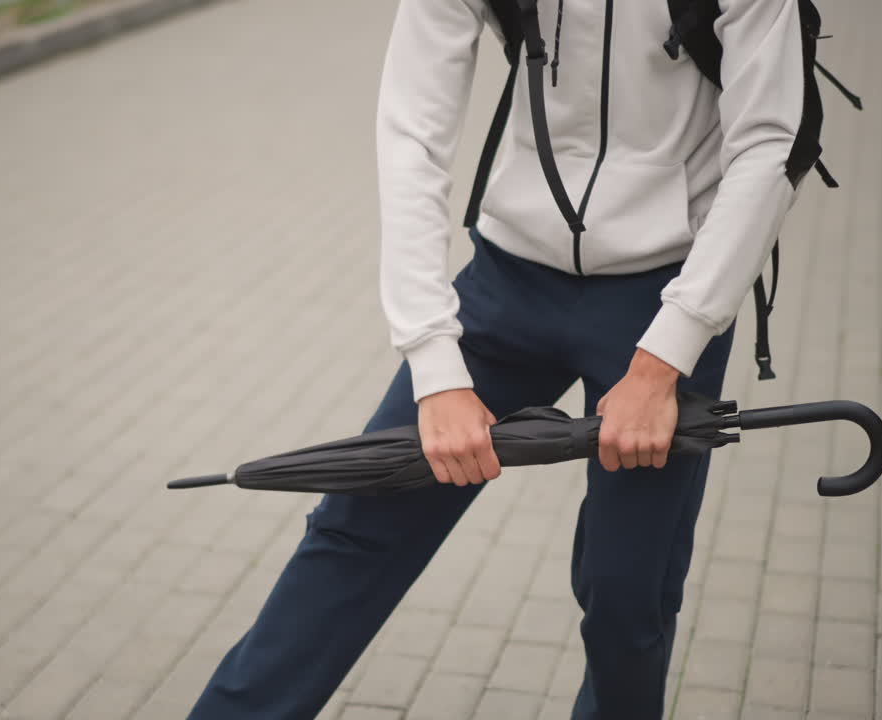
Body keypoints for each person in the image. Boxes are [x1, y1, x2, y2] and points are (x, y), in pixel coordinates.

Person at [190, 0, 808, 717]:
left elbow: (769, 142)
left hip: (664, 293)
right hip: (509, 281)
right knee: (355, 529)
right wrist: (434, 366)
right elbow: (412, 132)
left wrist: (664, 358)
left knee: (626, 598)